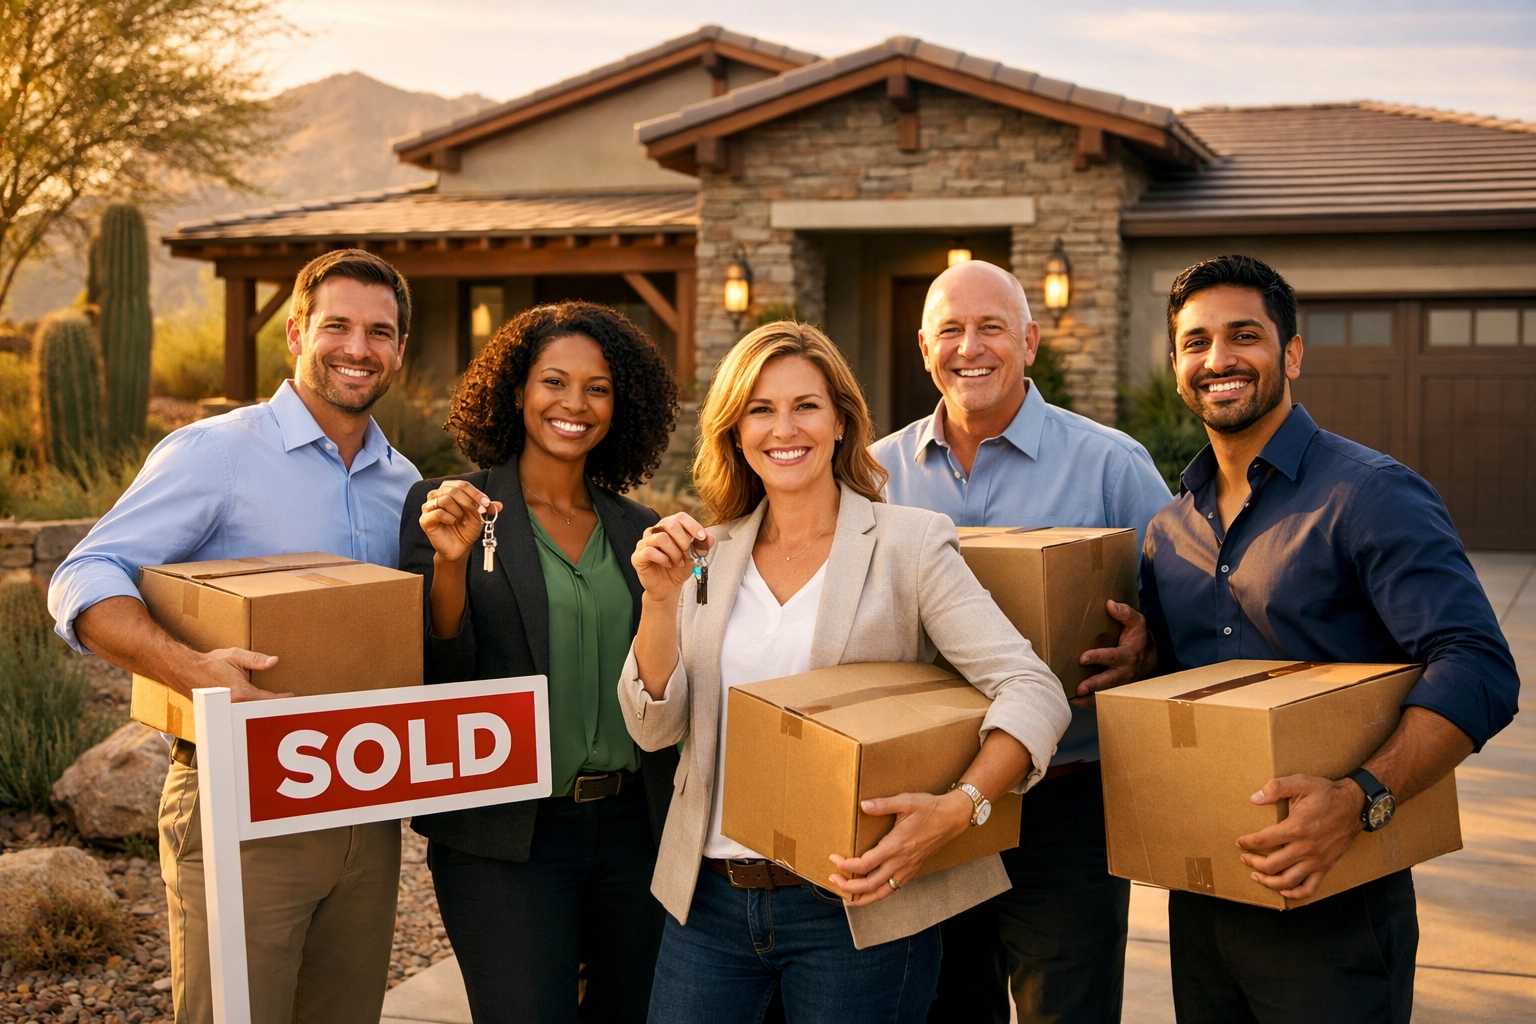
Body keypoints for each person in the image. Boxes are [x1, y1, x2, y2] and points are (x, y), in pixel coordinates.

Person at [620, 320, 1072, 1024]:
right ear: (735, 431)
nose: (783, 428)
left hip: (855, 908)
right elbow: (653, 728)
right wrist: (658, 602)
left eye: (805, 405)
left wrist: (960, 809)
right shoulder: (708, 554)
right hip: (707, 902)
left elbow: (1033, 688)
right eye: (760, 410)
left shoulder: (907, 545)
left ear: (840, 421)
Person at [1135, 254, 1519, 1023]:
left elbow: (1477, 665)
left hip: (1340, 896)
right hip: (1205, 894)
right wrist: (1135, 659)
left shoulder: (1370, 493)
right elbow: (1183, 682)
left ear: (1293, 353)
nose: (1219, 360)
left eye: (1244, 335)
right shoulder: (1168, 529)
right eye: (1196, 342)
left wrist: (1362, 799)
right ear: (1178, 365)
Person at [48, 249, 421, 1024]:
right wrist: (192, 670)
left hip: (368, 807)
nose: (359, 348)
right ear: (295, 333)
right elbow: (84, 577)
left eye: (379, 332)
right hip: (241, 803)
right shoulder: (216, 452)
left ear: (398, 351)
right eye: (338, 326)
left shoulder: (407, 484)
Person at [870, 259, 1171, 1024]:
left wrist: (1150, 647)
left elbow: (1191, 611)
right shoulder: (874, 475)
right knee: (945, 1005)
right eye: (951, 330)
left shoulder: (1111, 464)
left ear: (1030, 341)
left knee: (1065, 1010)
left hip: (1064, 804)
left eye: (991, 327)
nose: (969, 347)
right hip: (931, 801)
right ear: (924, 346)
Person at [398, 301, 681, 1023]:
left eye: (598, 388)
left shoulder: (636, 528)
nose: (574, 404)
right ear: (517, 390)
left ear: (622, 406)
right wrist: (452, 568)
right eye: (554, 381)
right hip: (507, 834)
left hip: (632, 830)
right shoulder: (451, 509)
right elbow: (436, 676)